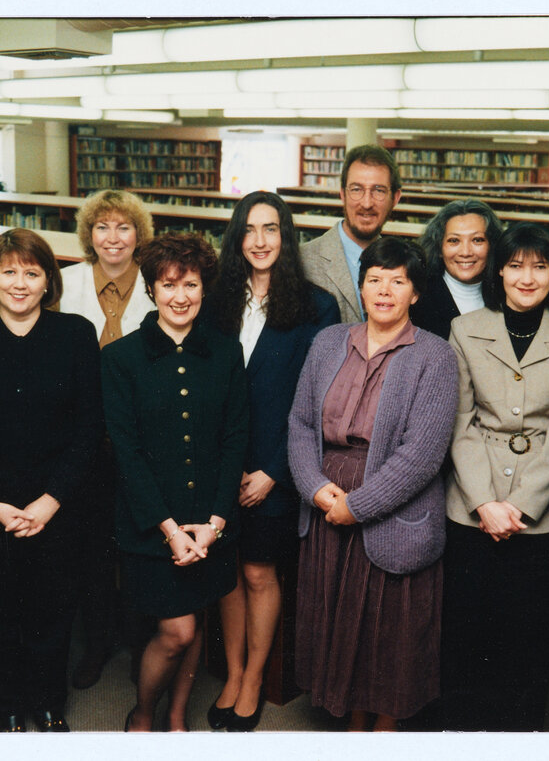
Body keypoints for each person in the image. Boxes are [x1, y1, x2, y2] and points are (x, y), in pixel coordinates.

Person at [288, 236, 458, 731]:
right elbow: (300, 423)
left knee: (387, 634)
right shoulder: (327, 342)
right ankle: (351, 726)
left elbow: (423, 455)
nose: (384, 290)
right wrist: (316, 490)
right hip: (326, 501)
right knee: (336, 623)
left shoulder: (435, 356)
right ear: (360, 286)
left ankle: (381, 733)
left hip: (389, 511)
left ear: (416, 293)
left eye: (398, 281)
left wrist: (357, 507)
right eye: (374, 279)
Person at [0, 228, 104, 732]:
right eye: (8, 271)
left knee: (51, 613)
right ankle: (5, 706)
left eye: (32, 273)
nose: (20, 283)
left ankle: (48, 702)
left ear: (48, 281)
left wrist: (52, 501)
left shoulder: (75, 334)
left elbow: (89, 430)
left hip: (57, 505)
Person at [441, 222, 549, 731]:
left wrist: (522, 504)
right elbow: (459, 421)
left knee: (527, 641)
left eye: (540, 265)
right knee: (465, 635)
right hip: (471, 504)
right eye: (514, 265)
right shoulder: (465, 328)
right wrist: (485, 502)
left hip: (542, 511)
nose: (526, 277)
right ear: (498, 271)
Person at [102, 233, 248, 732]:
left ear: (204, 287)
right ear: (150, 289)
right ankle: (144, 711)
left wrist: (215, 522)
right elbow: (126, 453)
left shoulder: (227, 353)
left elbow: (236, 440)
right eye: (168, 285)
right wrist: (170, 529)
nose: (180, 296)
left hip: (210, 522)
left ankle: (179, 716)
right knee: (178, 631)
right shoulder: (120, 358)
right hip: (151, 524)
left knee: (197, 620)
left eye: (190, 283)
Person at [205, 192, 339, 731]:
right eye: (250, 229)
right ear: (237, 237)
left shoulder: (315, 306)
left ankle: (254, 678)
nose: (260, 241)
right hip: (219, 465)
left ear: (288, 237)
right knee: (228, 573)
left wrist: (275, 470)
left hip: (275, 468)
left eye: (272, 229)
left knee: (260, 571)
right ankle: (233, 673)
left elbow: (318, 402)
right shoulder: (214, 299)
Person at [59, 189, 155, 689]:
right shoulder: (64, 283)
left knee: (139, 544)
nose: (113, 238)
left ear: (139, 235)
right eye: (102, 227)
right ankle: (96, 643)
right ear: (88, 235)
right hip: (83, 442)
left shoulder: (159, 286)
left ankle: (142, 644)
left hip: (142, 443)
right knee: (91, 548)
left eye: (124, 227)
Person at [300, 144, 403, 323]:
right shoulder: (302, 262)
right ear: (342, 194)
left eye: (378, 190)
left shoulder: (404, 265)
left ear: (395, 198)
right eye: (356, 189)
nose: (366, 203)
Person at [410, 198, 505, 340]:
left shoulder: (507, 293)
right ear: (439, 248)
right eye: (454, 241)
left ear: (492, 245)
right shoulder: (417, 298)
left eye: (477, 240)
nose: (465, 252)